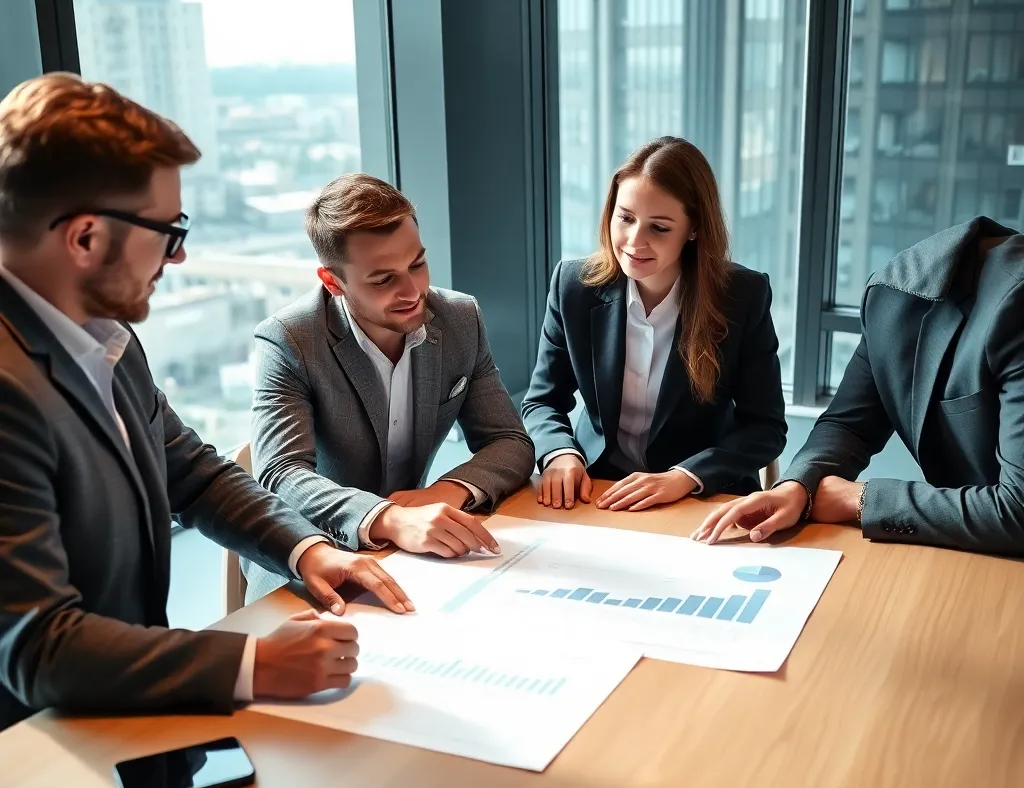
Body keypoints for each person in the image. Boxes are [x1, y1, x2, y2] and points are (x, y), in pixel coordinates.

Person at [0, 73, 413, 732]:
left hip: (124, 709)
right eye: (167, 229)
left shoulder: (104, 337)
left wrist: (308, 550)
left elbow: (194, 473)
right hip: (38, 751)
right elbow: (39, 645)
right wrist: (254, 664)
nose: (182, 252)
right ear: (83, 238)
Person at [245, 173, 535, 601]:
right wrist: (389, 519)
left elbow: (510, 441)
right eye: (383, 280)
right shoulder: (288, 341)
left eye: (417, 264)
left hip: (414, 557)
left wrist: (443, 492)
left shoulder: (459, 318)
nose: (413, 290)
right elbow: (280, 475)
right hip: (311, 563)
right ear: (333, 282)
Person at [693, 217, 1024, 555]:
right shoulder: (894, 296)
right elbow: (850, 424)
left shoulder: (1014, 306)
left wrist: (860, 499)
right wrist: (797, 486)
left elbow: (1019, 511)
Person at [521, 136, 786, 513]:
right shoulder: (573, 286)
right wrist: (561, 454)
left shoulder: (742, 296)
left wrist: (684, 476)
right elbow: (542, 401)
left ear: (693, 229)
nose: (633, 241)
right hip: (597, 488)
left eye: (659, 228)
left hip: (700, 497)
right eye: (625, 218)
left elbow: (766, 427)